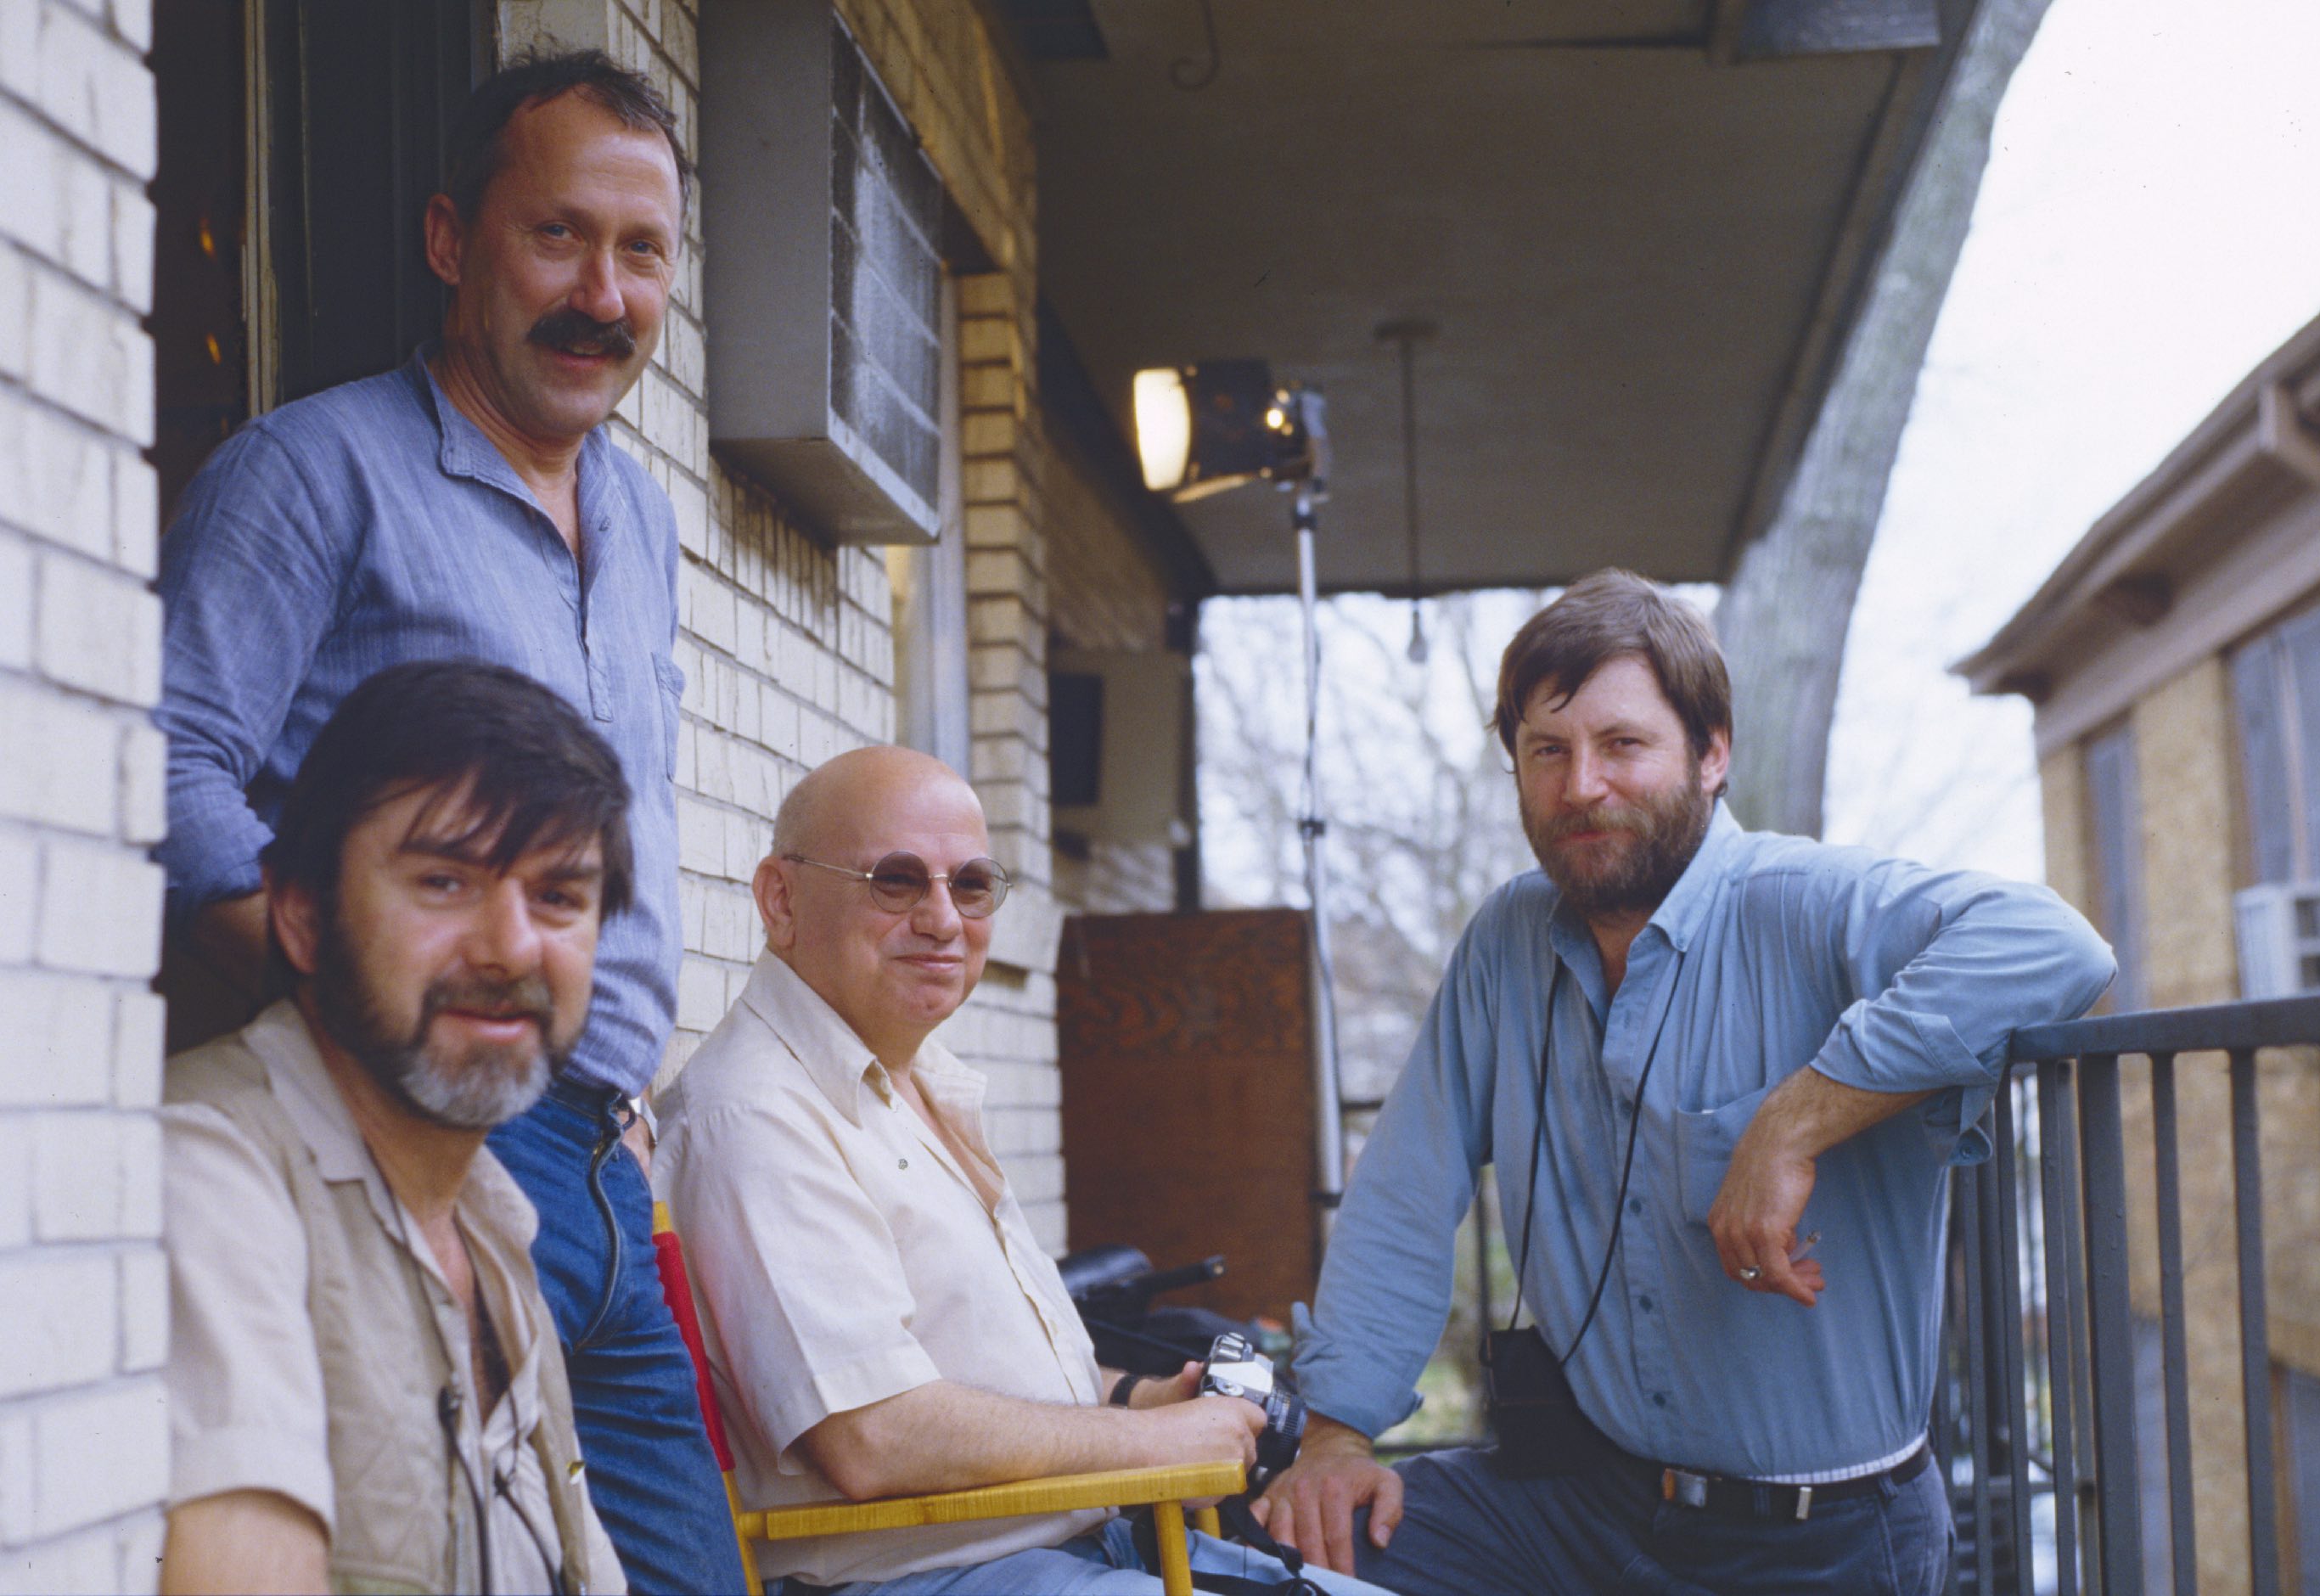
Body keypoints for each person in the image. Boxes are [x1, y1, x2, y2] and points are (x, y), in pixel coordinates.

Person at [153, 50, 744, 1588]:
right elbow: (157, 761)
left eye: (642, 252)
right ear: (448, 240)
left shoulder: (641, 517)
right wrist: (339, 1001)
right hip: (409, 1122)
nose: (602, 295)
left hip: (603, 1162)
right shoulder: (309, 473)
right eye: (557, 236)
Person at [1254, 570, 2116, 1596]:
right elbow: (1404, 1189)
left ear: (1710, 755)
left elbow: (2053, 942)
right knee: (1271, 1548)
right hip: (1584, 1502)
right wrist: (1336, 1434)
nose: (1581, 786)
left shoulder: (1800, 900)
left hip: (1820, 1537)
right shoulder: (1505, 940)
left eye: (1622, 744)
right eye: (1546, 750)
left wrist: (1790, 1119)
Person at [654, 746, 1396, 1595]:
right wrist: (1153, 1443)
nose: (943, 919)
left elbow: (987, 1384)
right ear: (780, 899)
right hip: (936, 1578)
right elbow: (872, 1435)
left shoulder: (911, 1083)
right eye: (895, 880)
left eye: (971, 884)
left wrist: (1142, 1399)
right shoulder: (755, 1116)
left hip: (1084, 1544)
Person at [158, 660, 632, 1594]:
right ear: (302, 916)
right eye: (445, 881)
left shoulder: (494, 1223)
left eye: (558, 896)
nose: (510, 948)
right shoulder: (209, 1173)